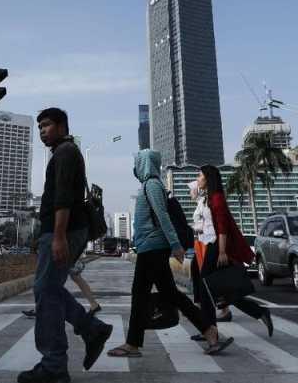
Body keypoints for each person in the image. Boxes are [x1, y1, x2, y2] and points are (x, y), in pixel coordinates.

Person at [17, 108, 113, 383]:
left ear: (62, 126)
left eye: (46, 125)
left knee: (45, 291)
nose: (42, 131)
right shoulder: (63, 152)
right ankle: (91, 330)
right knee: (49, 290)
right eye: (39, 127)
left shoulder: (65, 152)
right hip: (61, 230)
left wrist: (58, 236)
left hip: (65, 231)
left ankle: (54, 365)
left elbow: (62, 198)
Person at [107, 150, 233, 358]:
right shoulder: (150, 184)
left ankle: (134, 344)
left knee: (153, 295)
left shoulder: (152, 184)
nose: (135, 167)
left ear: (144, 164)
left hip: (153, 248)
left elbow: (162, 216)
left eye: (137, 163)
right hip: (149, 248)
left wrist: (175, 245)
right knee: (159, 294)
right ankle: (207, 331)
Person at [189, 165, 273, 339]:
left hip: (216, 247)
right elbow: (205, 224)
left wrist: (221, 251)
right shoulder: (208, 198)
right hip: (210, 244)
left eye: (199, 176)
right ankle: (259, 312)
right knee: (221, 290)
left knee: (208, 289)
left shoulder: (217, 198)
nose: (197, 179)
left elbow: (222, 227)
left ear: (208, 178)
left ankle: (209, 331)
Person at [22, 255, 102, 319]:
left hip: (64, 252)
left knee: (49, 279)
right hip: (66, 251)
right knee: (74, 277)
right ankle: (94, 304)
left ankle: (41, 309)